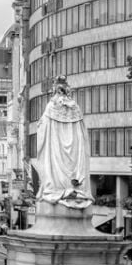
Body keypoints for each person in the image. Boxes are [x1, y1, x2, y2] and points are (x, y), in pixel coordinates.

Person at [31, 76, 91, 204]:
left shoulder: (51, 107)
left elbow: (43, 129)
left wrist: (40, 126)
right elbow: (82, 134)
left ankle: (57, 188)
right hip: (74, 154)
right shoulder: (76, 108)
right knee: (70, 167)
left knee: (54, 168)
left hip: (56, 149)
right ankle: (72, 188)